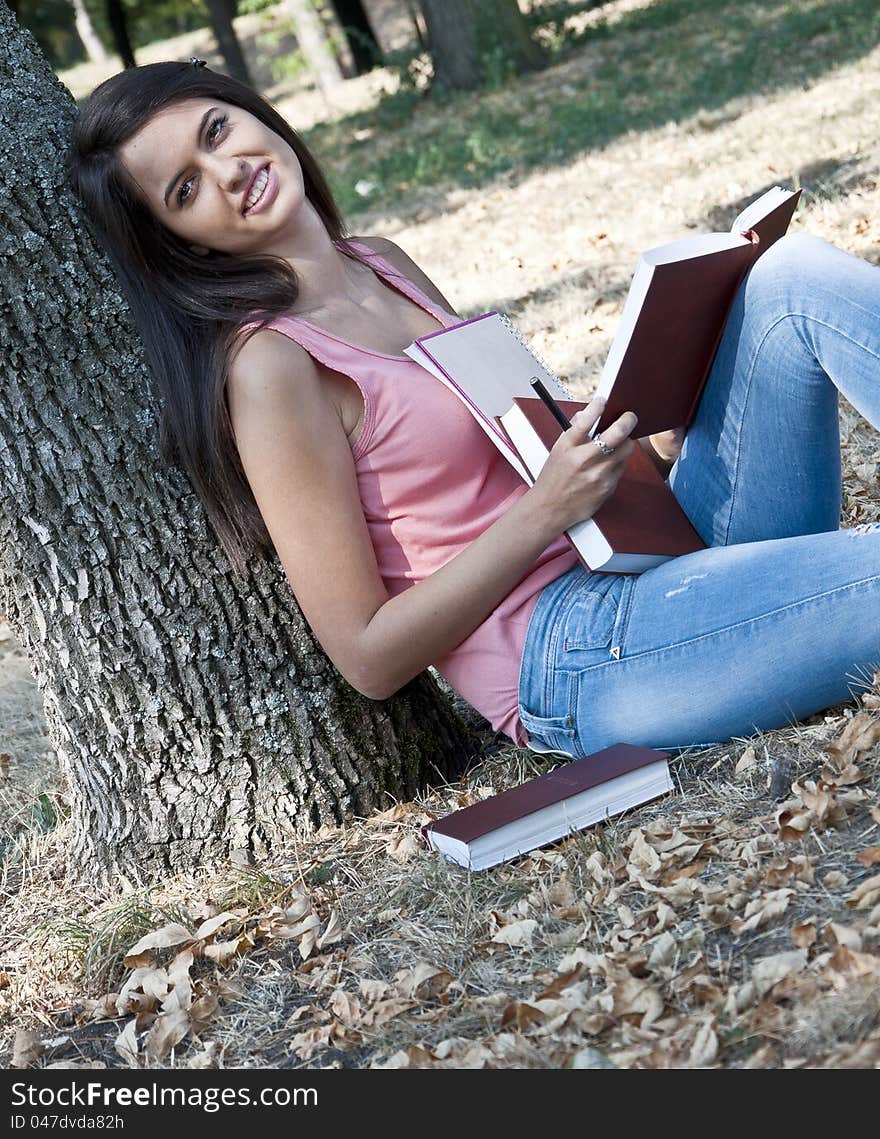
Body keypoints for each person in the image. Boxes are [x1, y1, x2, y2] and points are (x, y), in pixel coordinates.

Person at [69, 61, 880, 761]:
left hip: (649, 549)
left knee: (787, 280)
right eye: (185, 189)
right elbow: (367, 656)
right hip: (577, 653)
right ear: (183, 241)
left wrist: (650, 443)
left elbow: (516, 442)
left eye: (215, 131)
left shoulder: (381, 263)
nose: (226, 171)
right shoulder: (272, 368)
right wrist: (543, 513)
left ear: (246, 109)